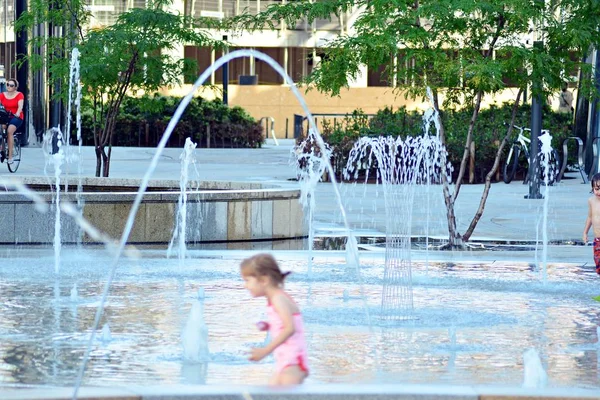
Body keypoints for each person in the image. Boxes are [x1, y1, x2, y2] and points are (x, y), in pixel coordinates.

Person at [240, 253, 309, 385]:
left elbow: (290, 328)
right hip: (285, 360)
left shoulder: (278, 298)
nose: (245, 285)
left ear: (264, 280)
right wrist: (269, 325)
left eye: (247, 280)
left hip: (293, 360)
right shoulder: (275, 299)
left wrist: (265, 351)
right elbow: (285, 323)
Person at [0, 78, 24, 164]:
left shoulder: (19, 95)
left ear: (15, 87)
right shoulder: (2, 95)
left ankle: (10, 157)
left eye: (11, 85)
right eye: (8, 85)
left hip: (16, 117)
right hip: (5, 116)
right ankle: (2, 146)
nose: (9, 87)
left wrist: (17, 113)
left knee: (10, 131)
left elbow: (20, 106)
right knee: (1, 129)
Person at [582, 173, 600, 276]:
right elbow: (590, 217)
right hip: (597, 240)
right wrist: (585, 232)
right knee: (598, 261)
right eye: (596, 189)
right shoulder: (591, 201)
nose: (598, 192)